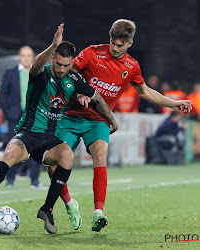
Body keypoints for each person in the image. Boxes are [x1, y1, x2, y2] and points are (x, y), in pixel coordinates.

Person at [0, 23, 118, 234]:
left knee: (66, 154)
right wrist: (51, 46)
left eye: (66, 65)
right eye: (58, 64)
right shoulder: (41, 74)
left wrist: (112, 120)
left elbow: (98, 99)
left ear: (71, 63)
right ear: (52, 59)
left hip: (49, 138)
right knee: (10, 153)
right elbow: (36, 65)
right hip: (27, 133)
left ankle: (47, 209)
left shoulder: (74, 80)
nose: (61, 69)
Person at [48, 19, 192, 233]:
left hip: (98, 120)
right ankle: (70, 204)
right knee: (53, 165)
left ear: (130, 44)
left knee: (100, 156)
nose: (115, 48)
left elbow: (145, 92)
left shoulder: (131, 66)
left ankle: (98, 213)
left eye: (120, 45)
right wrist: (78, 91)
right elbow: (68, 73)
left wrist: (174, 104)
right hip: (70, 116)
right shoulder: (91, 53)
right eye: (113, 43)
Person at [0, 45, 42, 187]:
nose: (27, 58)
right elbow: (2, 95)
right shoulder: (10, 73)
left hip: (34, 116)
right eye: (24, 55)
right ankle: (10, 179)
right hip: (15, 117)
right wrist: (8, 112)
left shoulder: (39, 73)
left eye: (29, 55)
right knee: (13, 148)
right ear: (19, 56)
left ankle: (34, 180)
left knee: (35, 148)